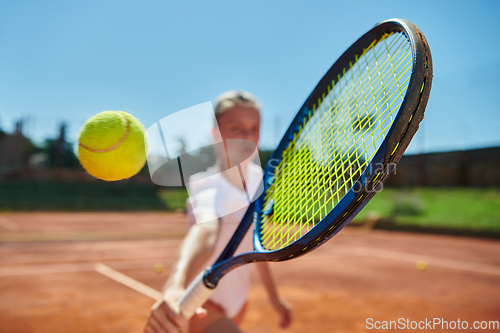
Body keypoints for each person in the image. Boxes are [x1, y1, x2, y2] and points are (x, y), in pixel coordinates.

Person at [143, 91, 293, 333]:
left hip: (238, 301)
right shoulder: (207, 186)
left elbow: (255, 245)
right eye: (236, 128)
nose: (247, 136)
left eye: (254, 128)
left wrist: (274, 297)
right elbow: (205, 232)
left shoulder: (258, 181)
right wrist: (175, 285)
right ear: (215, 134)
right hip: (203, 304)